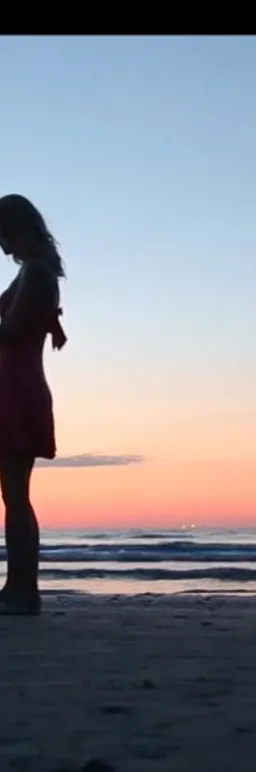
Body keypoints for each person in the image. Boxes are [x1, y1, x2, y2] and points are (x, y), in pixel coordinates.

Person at [0, 194, 67, 615]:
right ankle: (18, 588)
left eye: (4, 238)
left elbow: (9, 332)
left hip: (16, 390)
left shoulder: (36, 273)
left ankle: (23, 591)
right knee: (15, 496)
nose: (4, 249)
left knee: (16, 497)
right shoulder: (33, 272)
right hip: (14, 387)